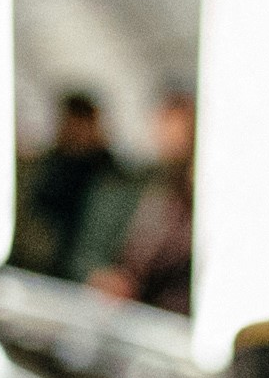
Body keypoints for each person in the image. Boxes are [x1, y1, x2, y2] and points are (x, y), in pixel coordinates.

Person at [90, 89, 193, 313]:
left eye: (182, 130)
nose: (172, 138)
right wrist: (104, 277)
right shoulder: (132, 186)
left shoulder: (196, 195)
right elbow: (92, 251)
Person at [14, 90, 124, 283]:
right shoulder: (47, 166)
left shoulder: (110, 174)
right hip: (45, 263)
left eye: (81, 124)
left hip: (85, 266)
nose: (75, 131)